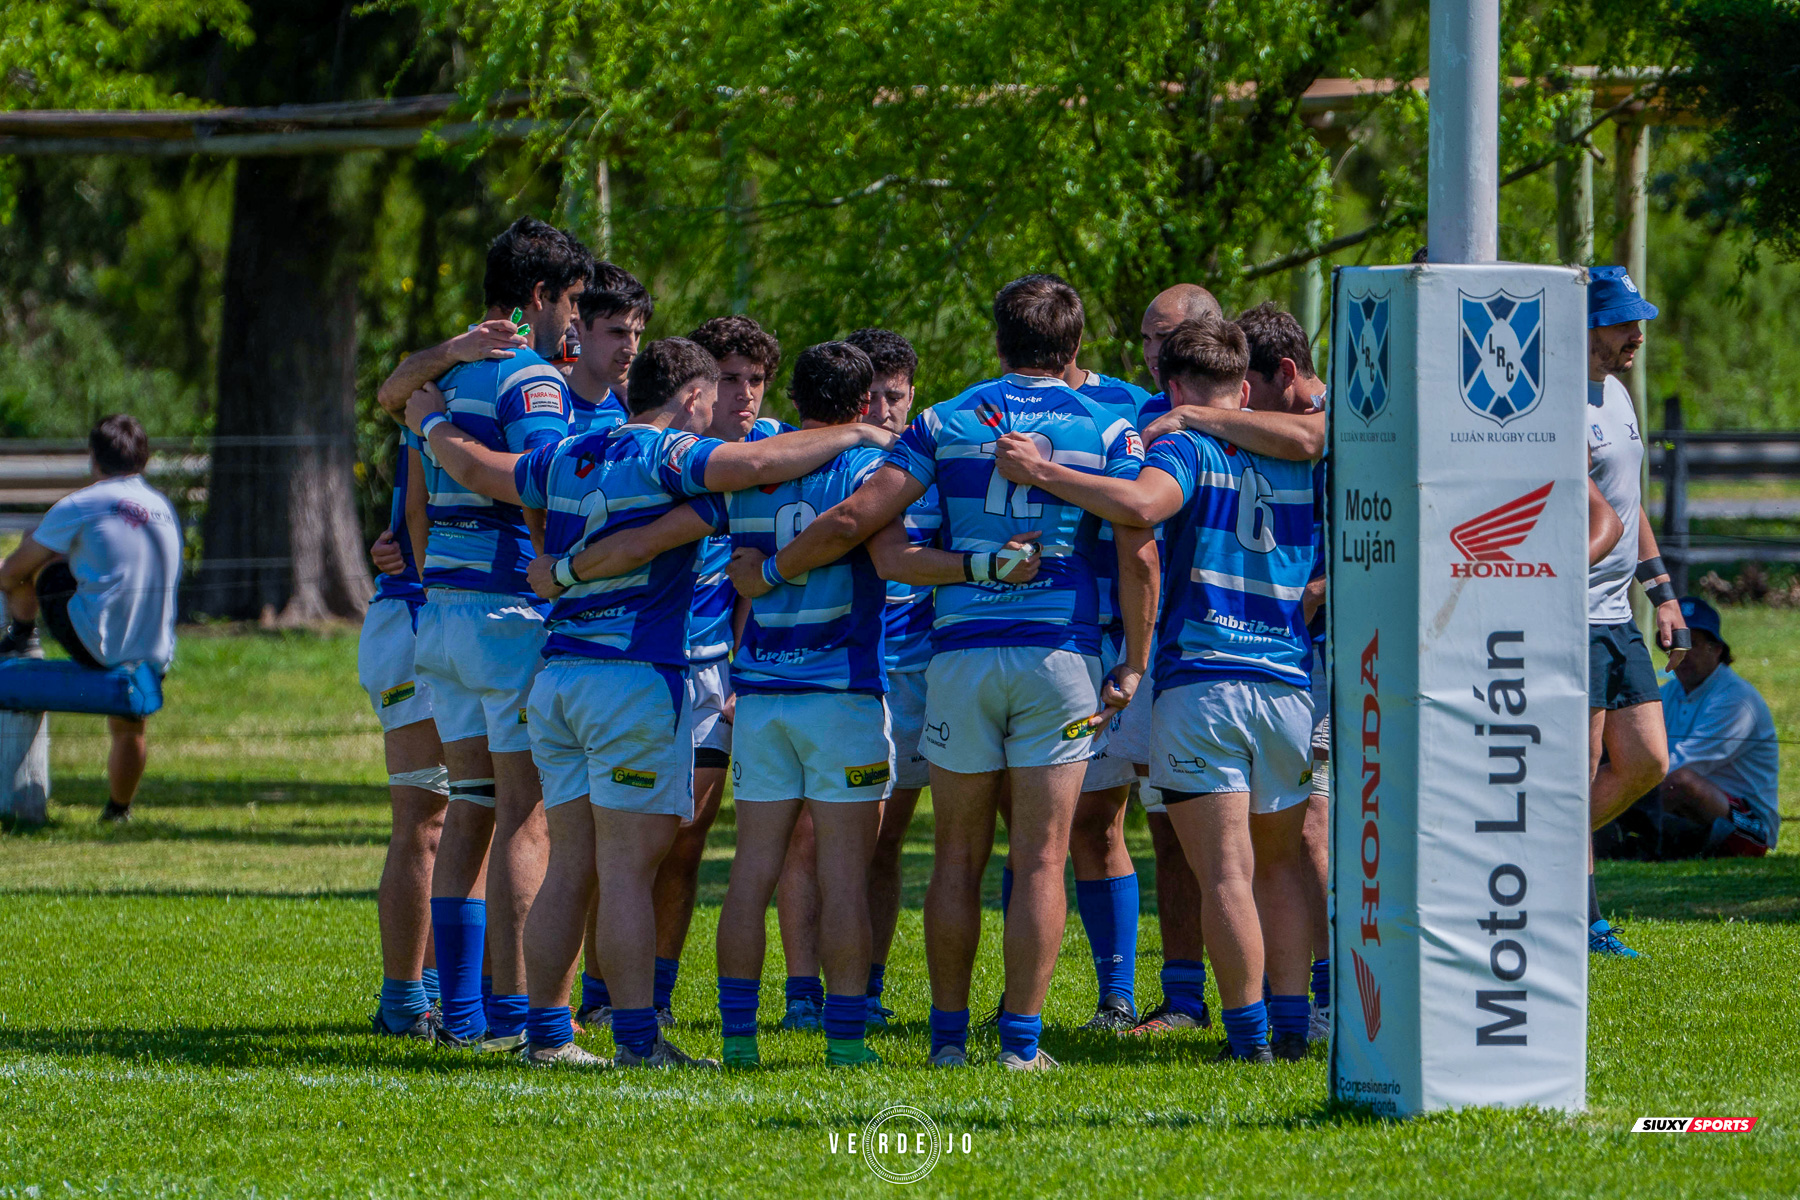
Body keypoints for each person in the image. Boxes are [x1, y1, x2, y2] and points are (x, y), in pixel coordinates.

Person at [416, 336, 896, 1067]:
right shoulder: (670, 457)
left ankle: (546, 1037)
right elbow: (761, 463)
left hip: (557, 678)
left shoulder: (571, 451)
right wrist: (861, 432)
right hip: (631, 678)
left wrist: (428, 422)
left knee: (570, 860)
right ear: (694, 398)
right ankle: (639, 1043)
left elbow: (480, 469)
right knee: (627, 872)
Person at [732, 274, 1155, 1071]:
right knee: (1039, 856)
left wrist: (777, 570)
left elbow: (872, 530)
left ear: (997, 340)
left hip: (959, 654)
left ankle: (950, 1041)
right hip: (1060, 654)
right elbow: (1139, 543)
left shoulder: (945, 419)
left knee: (955, 853)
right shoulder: (1108, 422)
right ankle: (1020, 1047)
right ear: (1073, 352)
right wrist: (1133, 661)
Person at [995, 318, 1319, 1063]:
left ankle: (1250, 1041)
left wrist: (1043, 474)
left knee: (1226, 873)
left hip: (1204, 680)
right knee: (1277, 866)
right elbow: (1315, 431)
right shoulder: (1300, 452)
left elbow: (1141, 507)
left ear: (1171, 388)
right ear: (1245, 385)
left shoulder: (1183, 443)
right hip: (1287, 683)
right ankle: (1296, 1026)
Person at [374, 216, 591, 1049]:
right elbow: (539, 482)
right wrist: (563, 567)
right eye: (571, 302)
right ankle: (532, 1023)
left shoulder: (450, 378)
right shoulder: (532, 381)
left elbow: (396, 397)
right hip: (508, 611)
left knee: (470, 809)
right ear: (538, 297)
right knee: (526, 818)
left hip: (447, 614)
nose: (574, 320)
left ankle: (461, 1017)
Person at [763, 327, 932, 1034]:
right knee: (810, 837)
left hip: (911, 668)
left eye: (898, 397)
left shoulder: (926, 460)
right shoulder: (820, 459)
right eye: (877, 397)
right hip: (829, 671)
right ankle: (805, 992)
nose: (888, 411)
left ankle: (865, 986)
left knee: (882, 844)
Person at [0, 415, 181, 823]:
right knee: (129, 728)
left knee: (42, 562)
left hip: (101, 646)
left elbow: (11, 573)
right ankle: (118, 811)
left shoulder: (85, 501)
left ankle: (22, 636)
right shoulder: (162, 508)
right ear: (144, 460)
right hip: (155, 654)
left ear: (93, 459)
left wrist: (30, 556)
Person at [1583, 265, 1689, 958]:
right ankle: (1582, 921)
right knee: (1578, 767)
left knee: (1648, 758)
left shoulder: (1616, 393)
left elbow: (1629, 504)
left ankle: (1540, 867)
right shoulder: (1549, 404)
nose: (1638, 335)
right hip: (1570, 617)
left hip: (1617, 613)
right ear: (1585, 324)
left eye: (1639, 320)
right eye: (1624, 322)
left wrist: (1664, 594)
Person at [361, 427, 451, 1039]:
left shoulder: (599, 402)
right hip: (419, 616)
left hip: (493, 624)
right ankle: (404, 1000)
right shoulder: (449, 380)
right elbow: (397, 390)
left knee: (486, 815)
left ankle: (443, 992)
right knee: (426, 816)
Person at [1600, 597, 1779, 859]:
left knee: (1681, 782)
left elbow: (1681, 766)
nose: (1681, 654)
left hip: (1750, 826)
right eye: (1673, 644)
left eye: (1691, 643)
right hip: (1688, 811)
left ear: (1717, 649)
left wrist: (1617, 783)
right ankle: (1624, 838)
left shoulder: (1736, 700)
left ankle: (1620, 835)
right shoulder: (1669, 693)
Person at [566, 262, 653, 434]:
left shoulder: (636, 415)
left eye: (637, 334)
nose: (632, 349)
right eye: (618, 332)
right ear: (577, 329)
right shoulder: (543, 402)